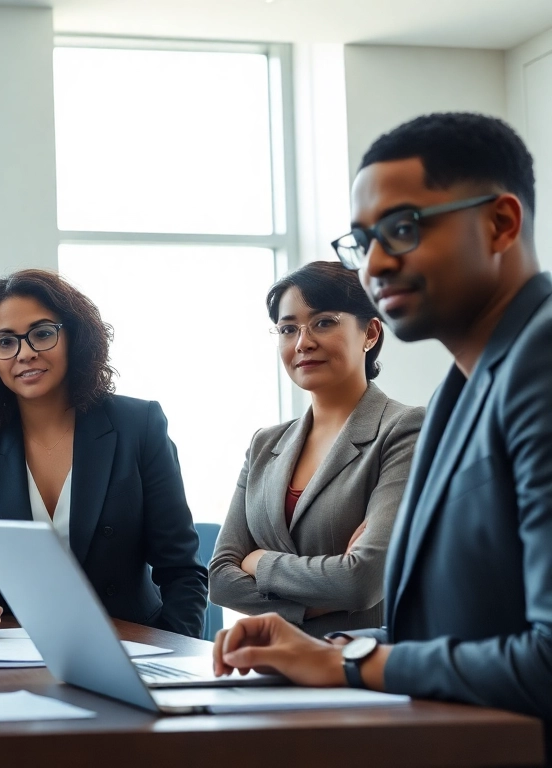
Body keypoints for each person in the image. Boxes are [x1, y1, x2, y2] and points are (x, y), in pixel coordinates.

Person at [213, 113, 552, 762]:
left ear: (501, 224)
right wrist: (323, 650)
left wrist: (349, 666)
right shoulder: (463, 387)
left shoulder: (540, 364)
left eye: (402, 230)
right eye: (362, 241)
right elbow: (459, 624)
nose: (375, 264)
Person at [0, 269, 208, 638]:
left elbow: (181, 572)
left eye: (42, 334)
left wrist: (176, 658)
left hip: (132, 644)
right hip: (14, 649)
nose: (26, 353)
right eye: (5, 342)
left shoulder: (138, 425)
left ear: (74, 336)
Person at [209, 262, 424, 635]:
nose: (302, 343)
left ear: (370, 333)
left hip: (361, 669)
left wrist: (259, 561)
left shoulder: (404, 430)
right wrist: (310, 605)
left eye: (323, 322)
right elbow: (220, 578)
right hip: (273, 665)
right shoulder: (265, 444)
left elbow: (361, 580)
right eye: (288, 329)